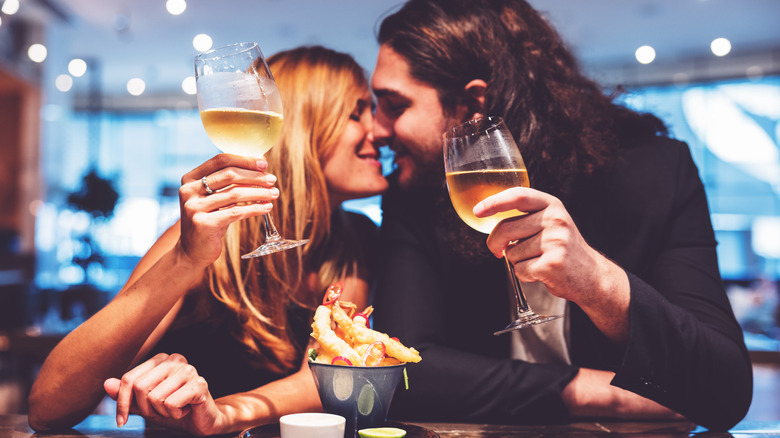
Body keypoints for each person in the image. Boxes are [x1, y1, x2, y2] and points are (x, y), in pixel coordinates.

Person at [369, 0, 752, 431]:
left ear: (473, 103)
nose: (376, 129)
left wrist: (597, 283)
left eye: (394, 105)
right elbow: (401, 368)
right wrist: (600, 391)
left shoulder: (658, 175)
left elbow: (726, 391)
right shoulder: (415, 193)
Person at [27, 45, 388, 435]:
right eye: (357, 113)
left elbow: (325, 376)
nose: (380, 131)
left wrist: (220, 413)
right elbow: (48, 406)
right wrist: (185, 259)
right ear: (303, 126)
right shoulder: (202, 238)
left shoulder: (355, 239)